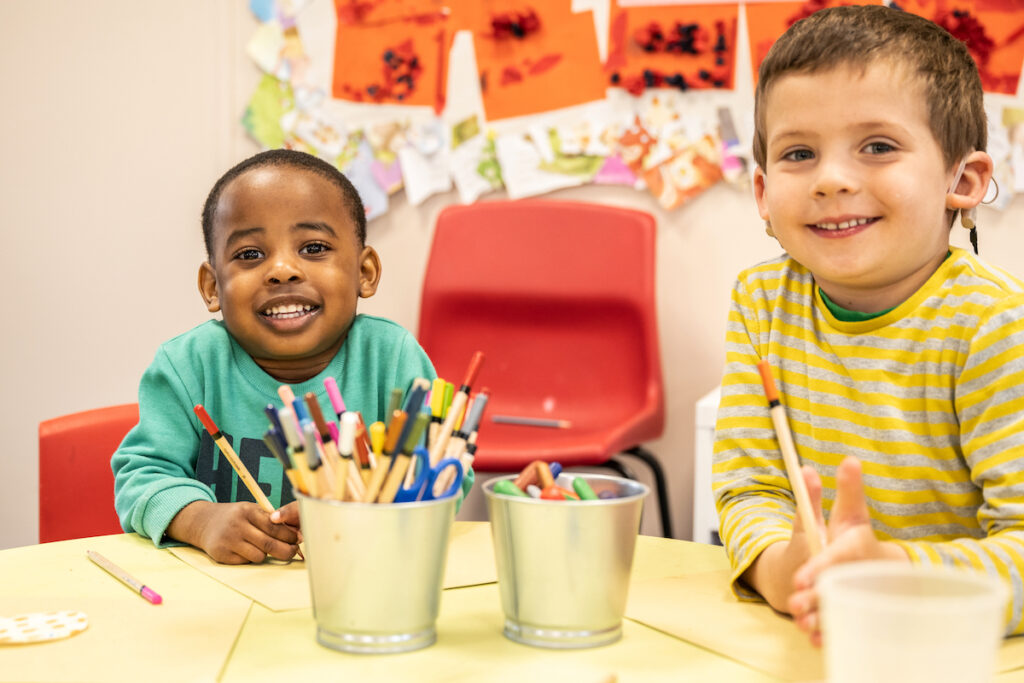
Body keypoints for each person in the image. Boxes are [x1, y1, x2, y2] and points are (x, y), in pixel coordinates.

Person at [712, 4, 1024, 643]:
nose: (830, 180)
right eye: (800, 153)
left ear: (962, 179)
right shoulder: (760, 302)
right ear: (765, 195)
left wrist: (895, 574)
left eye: (877, 146)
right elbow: (749, 490)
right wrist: (783, 568)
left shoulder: (997, 325)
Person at [113, 149, 472, 564]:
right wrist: (201, 521)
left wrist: (364, 513)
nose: (282, 270)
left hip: (365, 583)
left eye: (314, 247)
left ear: (365, 273)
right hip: (222, 598)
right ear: (212, 287)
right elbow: (141, 478)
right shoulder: (187, 366)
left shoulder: (392, 359)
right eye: (250, 254)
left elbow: (447, 472)